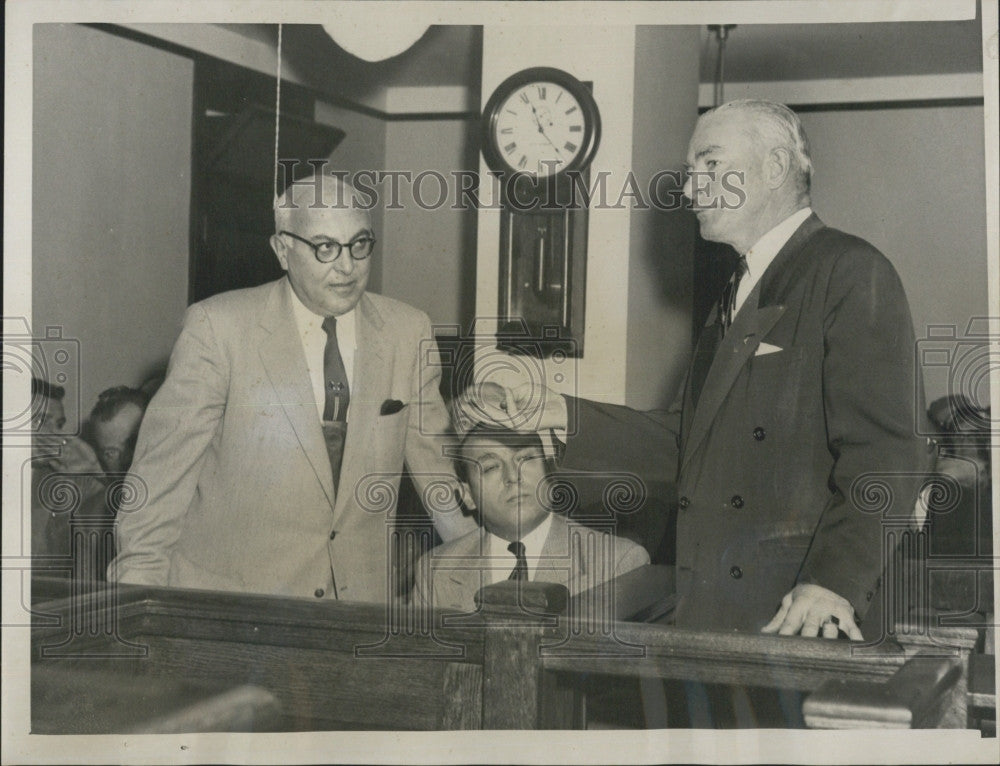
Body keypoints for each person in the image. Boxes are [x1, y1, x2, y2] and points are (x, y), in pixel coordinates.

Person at [459, 100, 934, 641]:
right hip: (720, 604)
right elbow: (693, 444)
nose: (689, 191)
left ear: (776, 168)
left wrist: (834, 583)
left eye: (709, 165)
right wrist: (559, 413)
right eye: (689, 173)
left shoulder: (848, 271)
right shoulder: (737, 292)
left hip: (801, 612)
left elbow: (890, 454)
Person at [109, 173, 476, 601]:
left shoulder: (407, 330)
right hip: (236, 611)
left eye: (360, 244)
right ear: (282, 250)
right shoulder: (218, 328)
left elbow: (440, 478)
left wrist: (487, 569)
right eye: (324, 247)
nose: (347, 267)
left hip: (356, 614)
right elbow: (155, 492)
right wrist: (137, 613)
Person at [412, 424, 649, 612]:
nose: (512, 477)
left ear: (550, 474)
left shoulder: (618, 563)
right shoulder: (436, 570)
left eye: (525, 459)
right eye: (491, 467)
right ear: (467, 495)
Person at [30, 377, 104, 560]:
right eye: (41, 421)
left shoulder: (71, 481)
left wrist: (96, 469)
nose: (55, 433)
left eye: (59, 424)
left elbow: (122, 510)